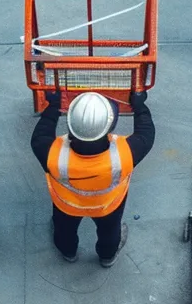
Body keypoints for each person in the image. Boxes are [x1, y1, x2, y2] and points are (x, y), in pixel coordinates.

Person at [31, 89, 154, 267]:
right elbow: (146, 132)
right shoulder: (126, 154)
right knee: (110, 231)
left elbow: (41, 134)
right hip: (107, 206)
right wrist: (140, 105)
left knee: (64, 230)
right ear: (109, 126)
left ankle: (68, 252)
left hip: (67, 205)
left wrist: (53, 106)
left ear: (70, 123)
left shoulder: (50, 153)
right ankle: (107, 257)